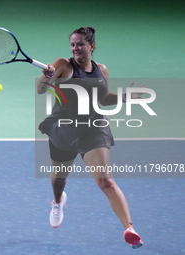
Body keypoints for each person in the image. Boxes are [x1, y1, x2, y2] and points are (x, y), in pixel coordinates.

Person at [36, 27, 144, 249]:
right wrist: (47, 76)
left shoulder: (101, 70)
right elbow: (40, 89)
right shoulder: (63, 65)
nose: (75, 48)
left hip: (93, 129)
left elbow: (103, 99)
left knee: (106, 181)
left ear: (91, 46)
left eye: (80, 44)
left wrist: (124, 97)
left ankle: (130, 228)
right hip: (64, 129)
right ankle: (57, 202)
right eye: (73, 45)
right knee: (58, 179)